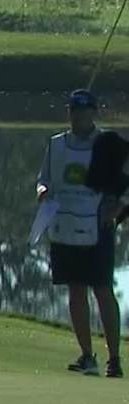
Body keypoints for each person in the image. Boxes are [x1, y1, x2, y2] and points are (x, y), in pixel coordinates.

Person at [37, 88, 123, 378]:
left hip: (96, 227)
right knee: (75, 290)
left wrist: (118, 207)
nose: (79, 117)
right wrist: (42, 192)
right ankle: (87, 356)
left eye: (84, 112)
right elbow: (43, 179)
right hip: (64, 225)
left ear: (93, 113)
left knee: (102, 290)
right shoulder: (57, 144)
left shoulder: (108, 144)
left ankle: (115, 359)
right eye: (74, 111)